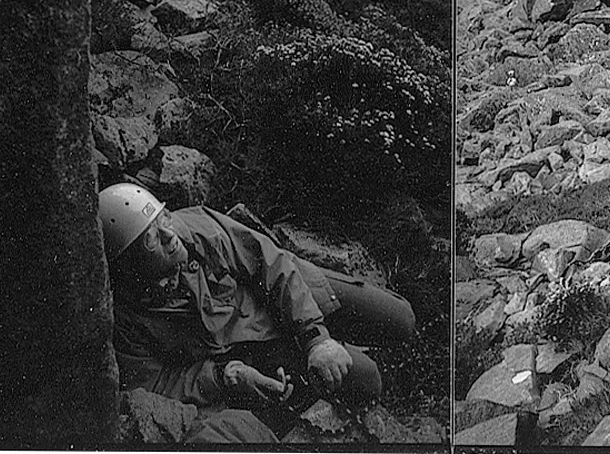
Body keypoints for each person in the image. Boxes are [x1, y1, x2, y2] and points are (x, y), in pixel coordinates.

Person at [98, 183, 416, 447]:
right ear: (128, 269)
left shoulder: (198, 229)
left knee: (401, 319)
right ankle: (338, 356)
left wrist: (317, 339)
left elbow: (270, 264)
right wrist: (227, 375)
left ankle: (333, 340)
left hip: (283, 289)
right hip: (255, 344)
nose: (170, 237)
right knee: (367, 380)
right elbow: (159, 384)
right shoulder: (124, 320)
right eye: (152, 239)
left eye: (163, 219)